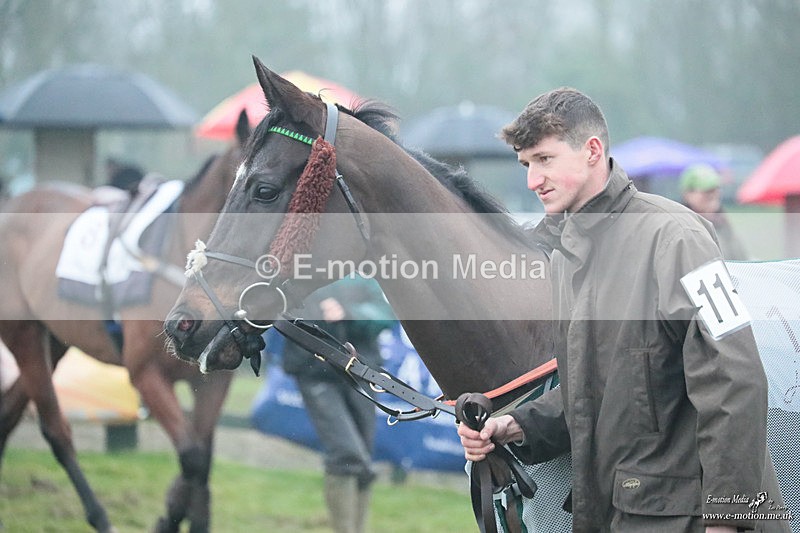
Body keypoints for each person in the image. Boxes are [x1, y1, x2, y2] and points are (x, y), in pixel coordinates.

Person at [457, 88, 787, 532]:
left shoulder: (678, 238)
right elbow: (598, 392)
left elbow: (736, 381)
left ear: (592, 151)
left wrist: (728, 520)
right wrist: (515, 425)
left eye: (544, 159)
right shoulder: (564, 256)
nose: (533, 180)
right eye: (526, 165)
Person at [281, 275, 396, 533]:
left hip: (360, 374)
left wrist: (350, 313)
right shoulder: (301, 273)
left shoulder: (364, 276)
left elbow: (385, 315)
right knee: (347, 454)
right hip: (314, 372)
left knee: (363, 461)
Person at [680, 163, 749, 260]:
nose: (713, 195)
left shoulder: (723, 221)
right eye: (707, 191)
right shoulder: (683, 227)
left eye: (716, 189)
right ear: (688, 194)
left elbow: (740, 257)